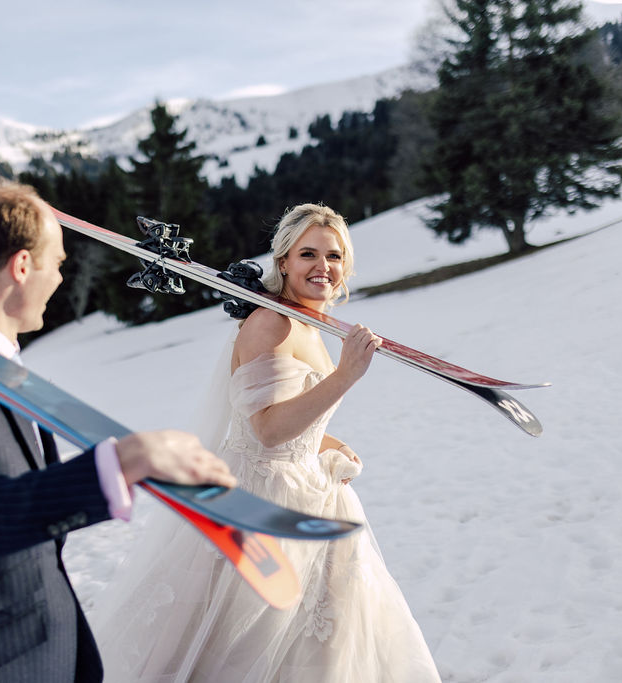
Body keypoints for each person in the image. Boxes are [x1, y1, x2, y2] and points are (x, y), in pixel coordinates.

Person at [0, 181, 236, 683]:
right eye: (58, 263)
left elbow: (28, 516)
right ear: (22, 267)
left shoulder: (1, 368)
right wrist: (125, 461)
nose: (61, 278)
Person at [91, 204, 441, 682]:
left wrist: (323, 440)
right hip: (263, 502)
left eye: (334, 256)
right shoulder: (270, 323)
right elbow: (266, 429)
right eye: (308, 254)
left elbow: (290, 414)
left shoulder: (307, 322)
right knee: (247, 644)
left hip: (309, 491)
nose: (323, 266)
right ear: (283, 263)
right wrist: (344, 377)